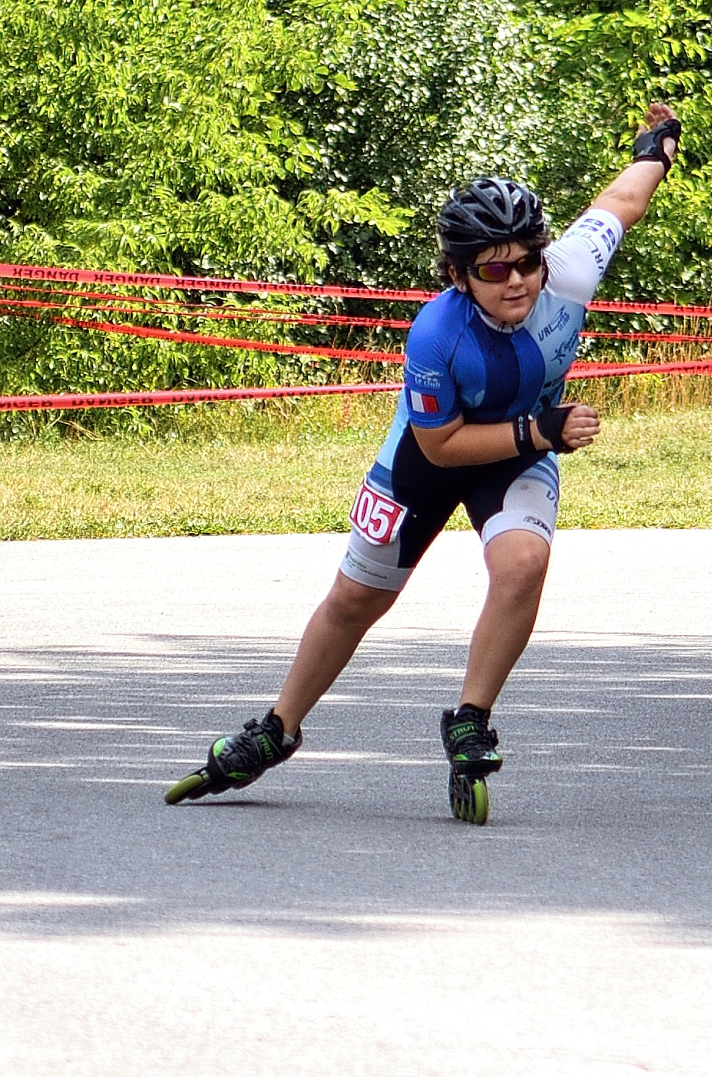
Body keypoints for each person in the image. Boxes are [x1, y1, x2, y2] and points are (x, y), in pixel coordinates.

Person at [165, 103, 682, 821]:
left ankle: (470, 719)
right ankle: (277, 729)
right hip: (433, 455)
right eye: (494, 268)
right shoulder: (434, 333)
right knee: (357, 599)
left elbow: (622, 202)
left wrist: (656, 149)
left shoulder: (567, 273)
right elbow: (441, 446)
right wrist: (539, 431)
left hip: (520, 450)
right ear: (458, 274)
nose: (517, 280)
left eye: (527, 261)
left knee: (523, 566)